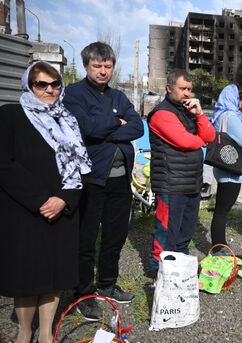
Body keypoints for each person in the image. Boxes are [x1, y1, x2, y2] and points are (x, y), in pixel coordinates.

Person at [0, 62, 91, 343]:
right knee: (27, 276)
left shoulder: (68, 119)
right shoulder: (10, 115)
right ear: (29, 85)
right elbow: (4, 164)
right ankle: (25, 332)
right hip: (25, 210)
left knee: (56, 275)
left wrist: (64, 199)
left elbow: (82, 166)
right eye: (41, 84)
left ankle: (46, 333)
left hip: (63, 209)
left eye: (54, 84)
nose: (49, 90)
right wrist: (41, 200)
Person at [64, 42, 144, 320]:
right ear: (86, 66)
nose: (103, 71)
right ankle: (84, 294)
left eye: (107, 66)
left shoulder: (118, 96)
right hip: (91, 181)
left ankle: (107, 284)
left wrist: (108, 126)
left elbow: (137, 126)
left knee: (115, 236)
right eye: (97, 66)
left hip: (121, 182)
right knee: (85, 240)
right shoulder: (73, 93)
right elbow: (84, 127)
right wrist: (116, 124)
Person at [148, 69, 215, 271]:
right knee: (167, 231)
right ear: (169, 88)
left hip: (191, 181)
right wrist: (201, 140)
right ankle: (159, 271)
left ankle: (180, 268)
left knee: (186, 230)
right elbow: (185, 141)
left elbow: (210, 136)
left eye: (190, 89)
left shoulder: (189, 110)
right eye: (183, 88)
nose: (187, 93)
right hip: (171, 183)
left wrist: (200, 114)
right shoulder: (161, 113)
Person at [210, 84, 242, 251]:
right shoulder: (230, 117)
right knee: (222, 211)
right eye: (240, 99)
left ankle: (219, 244)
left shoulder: (219, 115)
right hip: (231, 170)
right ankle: (219, 247)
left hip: (222, 167)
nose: (241, 102)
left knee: (220, 209)